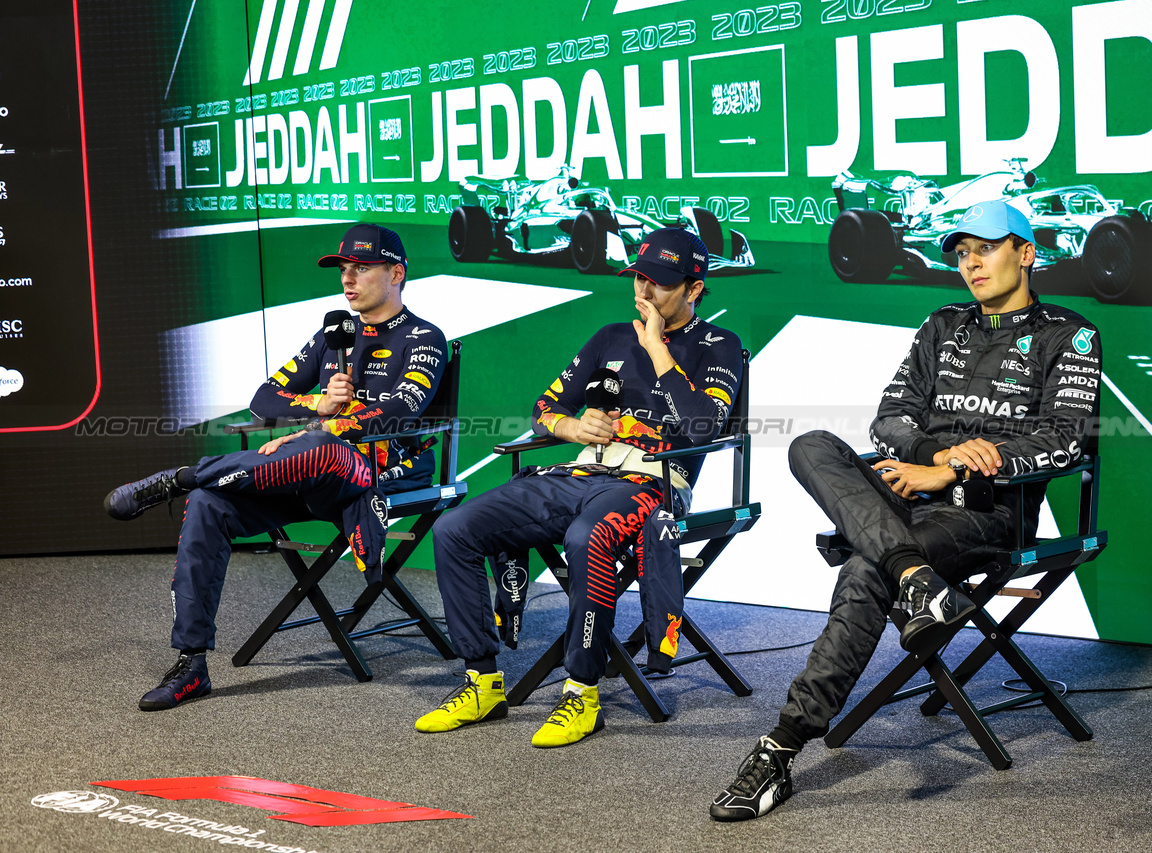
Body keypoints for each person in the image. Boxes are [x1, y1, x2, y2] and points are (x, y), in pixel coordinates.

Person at [709, 199, 1102, 820]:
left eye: (987, 249)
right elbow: (888, 420)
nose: (972, 264)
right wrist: (927, 456)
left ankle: (780, 747)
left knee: (865, 569)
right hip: (905, 499)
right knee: (812, 446)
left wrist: (949, 468)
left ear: (1026, 253)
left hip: (987, 514)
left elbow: (1065, 439)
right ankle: (916, 579)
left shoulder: (1068, 333)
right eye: (963, 253)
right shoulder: (940, 324)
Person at [416, 227, 743, 748]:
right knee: (456, 528)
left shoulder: (720, 346)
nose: (643, 292)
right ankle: (482, 681)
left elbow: (702, 428)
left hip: (654, 484)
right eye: (638, 277)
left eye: (657, 282)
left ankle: (581, 695)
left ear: (694, 288)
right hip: (581, 473)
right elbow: (544, 409)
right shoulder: (609, 336)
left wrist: (657, 347)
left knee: (586, 537)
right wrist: (569, 427)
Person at [103, 223, 448, 711]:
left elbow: (399, 411)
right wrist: (315, 406)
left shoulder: (424, 337)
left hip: (379, 474)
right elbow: (263, 401)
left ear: (397, 273)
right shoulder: (331, 338)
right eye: (344, 270)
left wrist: (322, 432)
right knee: (208, 504)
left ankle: (180, 477)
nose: (348, 279)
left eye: (362, 269)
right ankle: (191, 663)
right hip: (300, 476)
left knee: (322, 449)